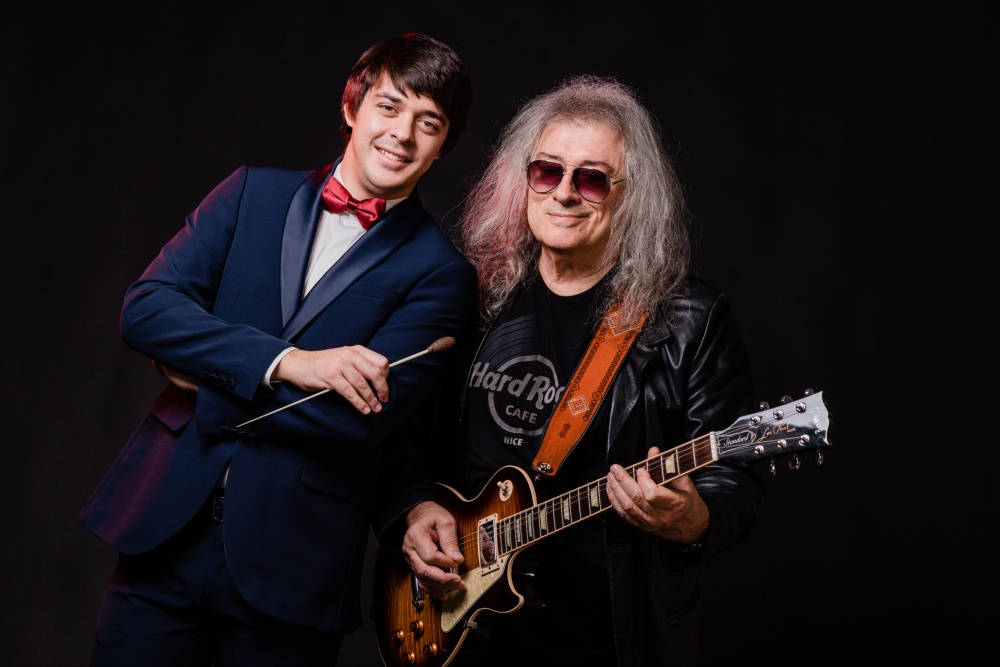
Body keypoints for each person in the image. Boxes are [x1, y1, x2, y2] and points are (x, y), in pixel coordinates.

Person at [79, 33, 475, 666]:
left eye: (429, 123)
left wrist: (205, 378)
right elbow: (147, 308)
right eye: (390, 106)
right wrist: (290, 363)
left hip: (293, 567)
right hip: (163, 535)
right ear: (352, 105)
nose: (402, 134)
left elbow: (359, 419)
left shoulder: (442, 273)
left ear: (443, 145)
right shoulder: (248, 193)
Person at [401, 75, 762, 667]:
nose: (564, 193)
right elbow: (407, 433)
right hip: (464, 623)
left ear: (630, 197)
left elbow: (737, 478)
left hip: (603, 635)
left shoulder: (689, 320)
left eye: (591, 179)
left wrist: (694, 517)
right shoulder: (475, 296)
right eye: (547, 172)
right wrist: (416, 507)